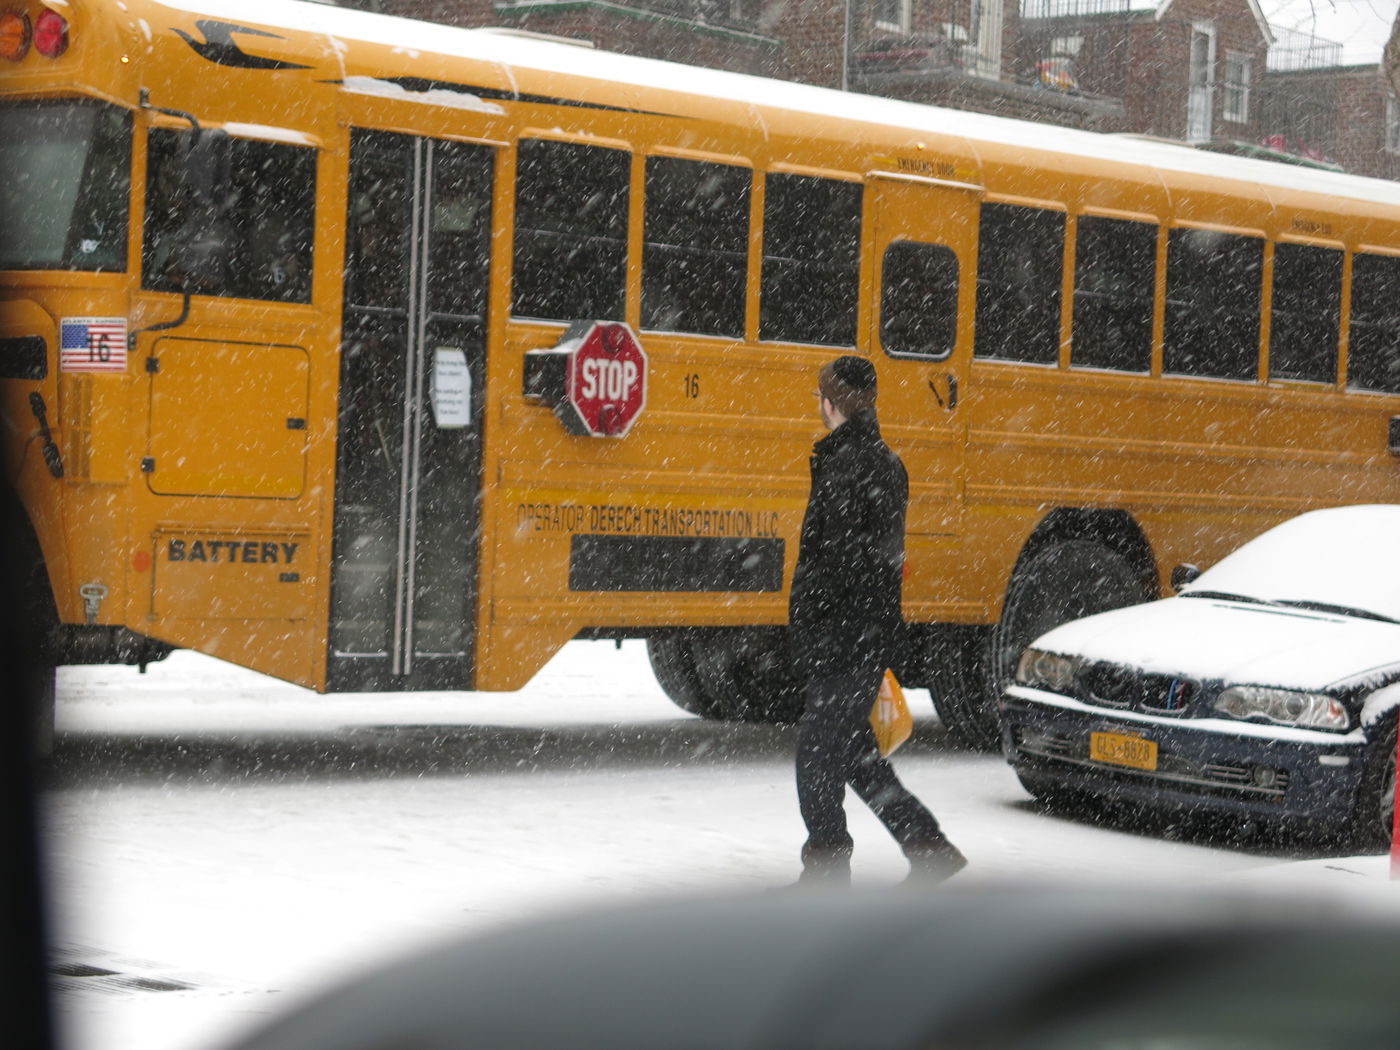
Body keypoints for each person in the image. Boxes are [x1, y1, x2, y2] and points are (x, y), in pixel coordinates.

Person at [785, 355, 966, 888]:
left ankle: (826, 874)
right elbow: (873, 559)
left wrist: (813, 623)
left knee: (817, 759)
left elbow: (841, 561)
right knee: (856, 756)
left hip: (842, 637)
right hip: (861, 633)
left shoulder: (847, 465)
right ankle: (929, 847)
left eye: (820, 396)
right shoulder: (882, 461)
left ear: (830, 402)